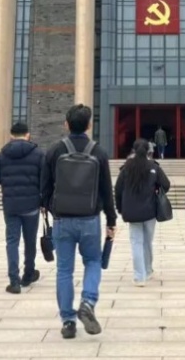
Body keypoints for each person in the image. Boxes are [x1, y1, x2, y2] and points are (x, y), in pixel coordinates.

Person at [41, 104, 117, 340]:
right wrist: (111, 220)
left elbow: (44, 189)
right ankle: (88, 301)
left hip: (63, 220)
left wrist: (51, 209)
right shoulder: (99, 152)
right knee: (93, 261)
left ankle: (68, 321)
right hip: (90, 219)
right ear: (89, 125)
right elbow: (106, 190)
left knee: (64, 270)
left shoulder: (54, 150)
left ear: (66, 124)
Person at [0, 120, 45, 294]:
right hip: (31, 205)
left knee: (12, 241)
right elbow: (44, 179)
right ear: (27, 135)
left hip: (11, 205)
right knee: (30, 241)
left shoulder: (2, 154)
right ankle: (28, 274)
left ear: (11, 135)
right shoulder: (38, 153)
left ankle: (14, 281)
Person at [115, 139, 170, 287]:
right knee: (147, 241)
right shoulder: (153, 167)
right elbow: (166, 184)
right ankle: (148, 270)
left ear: (133, 150)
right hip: (150, 210)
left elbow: (118, 189)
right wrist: (156, 189)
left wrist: (120, 207)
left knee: (136, 242)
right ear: (148, 151)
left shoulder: (126, 168)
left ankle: (139, 277)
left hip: (132, 211)